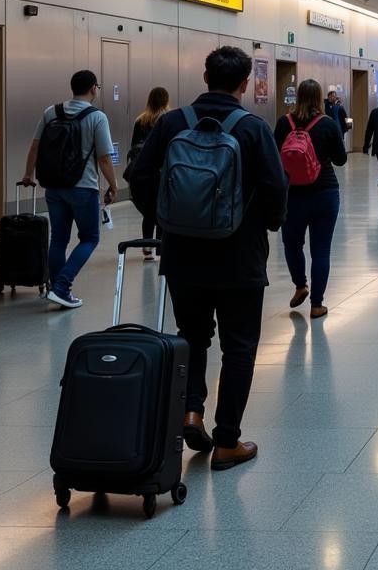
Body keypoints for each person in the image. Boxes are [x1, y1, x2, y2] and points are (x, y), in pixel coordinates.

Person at [129, 46, 288, 471]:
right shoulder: (252, 128)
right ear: (242, 84)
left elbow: (140, 177)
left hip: (183, 254)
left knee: (192, 335)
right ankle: (227, 442)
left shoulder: (171, 123)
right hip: (240, 256)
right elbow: (276, 188)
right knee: (239, 347)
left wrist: (164, 219)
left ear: (205, 77)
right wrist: (267, 225)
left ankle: (191, 411)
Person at [21, 70, 116, 310]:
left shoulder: (51, 112)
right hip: (83, 188)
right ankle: (62, 287)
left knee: (59, 239)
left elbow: (35, 147)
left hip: (53, 186)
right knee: (90, 238)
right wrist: (113, 185)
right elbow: (105, 158)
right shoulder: (97, 117)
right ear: (94, 88)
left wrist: (27, 175)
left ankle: (56, 289)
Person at [275, 79, 347, 320]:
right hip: (325, 193)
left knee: (292, 245)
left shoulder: (284, 122)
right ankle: (317, 304)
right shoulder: (327, 124)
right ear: (320, 98)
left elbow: (275, 156)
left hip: (292, 195)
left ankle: (299, 285)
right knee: (321, 250)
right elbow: (340, 160)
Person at [128, 86, 170, 259]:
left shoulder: (140, 121)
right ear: (166, 100)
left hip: (144, 174)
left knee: (149, 212)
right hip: (163, 172)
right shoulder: (168, 119)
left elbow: (133, 147)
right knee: (162, 210)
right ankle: (160, 247)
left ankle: (147, 248)